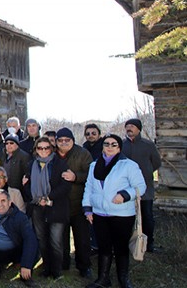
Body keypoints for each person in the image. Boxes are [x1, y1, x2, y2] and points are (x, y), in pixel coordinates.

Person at [83, 134, 147, 288]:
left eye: (114, 144)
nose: (109, 147)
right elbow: (89, 188)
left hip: (122, 213)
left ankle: (123, 278)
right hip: (100, 213)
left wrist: (125, 195)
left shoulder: (128, 165)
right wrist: (87, 209)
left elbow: (141, 187)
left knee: (120, 247)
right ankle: (103, 278)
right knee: (104, 247)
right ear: (102, 146)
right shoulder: (94, 165)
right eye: (106, 144)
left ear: (119, 147)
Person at [22, 137, 71, 279]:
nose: (43, 151)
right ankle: (46, 267)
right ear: (36, 150)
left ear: (51, 149)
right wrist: (27, 188)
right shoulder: (32, 165)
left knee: (55, 240)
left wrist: (48, 197)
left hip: (56, 207)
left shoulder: (60, 164)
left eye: (46, 148)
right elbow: (27, 187)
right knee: (41, 239)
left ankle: (56, 271)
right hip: (37, 208)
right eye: (40, 148)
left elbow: (65, 186)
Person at [54, 127, 93, 276]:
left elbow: (91, 175)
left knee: (82, 238)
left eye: (67, 140)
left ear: (73, 141)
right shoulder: (53, 154)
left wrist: (76, 177)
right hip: (59, 204)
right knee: (61, 237)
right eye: (60, 140)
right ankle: (63, 263)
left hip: (78, 203)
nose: (63, 143)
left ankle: (84, 266)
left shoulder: (83, 154)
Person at [121, 118, 161, 253]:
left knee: (147, 216)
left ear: (138, 129)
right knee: (127, 217)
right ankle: (129, 243)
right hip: (126, 188)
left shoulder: (148, 145)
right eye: (127, 126)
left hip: (146, 188)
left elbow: (156, 162)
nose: (129, 128)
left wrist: (147, 172)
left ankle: (149, 244)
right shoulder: (121, 145)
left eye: (132, 126)